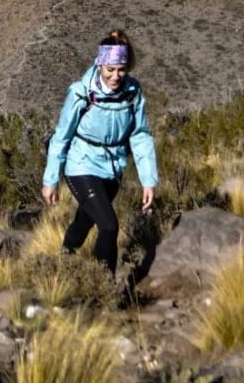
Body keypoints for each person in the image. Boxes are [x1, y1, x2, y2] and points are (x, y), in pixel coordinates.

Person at [41, 30, 158, 274]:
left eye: (122, 69)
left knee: (85, 220)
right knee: (108, 225)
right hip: (81, 164)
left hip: (113, 169)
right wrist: (51, 179)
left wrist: (148, 180)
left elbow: (140, 135)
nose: (116, 76)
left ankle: (65, 256)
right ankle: (102, 284)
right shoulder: (81, 93)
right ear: (100, 63)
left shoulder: (132, 92)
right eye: (110, 70)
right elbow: (62, 135)